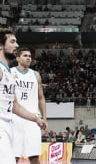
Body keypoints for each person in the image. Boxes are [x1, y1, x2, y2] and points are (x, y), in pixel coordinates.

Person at [0, 29, 47, 164]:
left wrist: (37, 119)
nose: (16, 45)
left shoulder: (8, 71)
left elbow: (14, 105)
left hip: (10, 123)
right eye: (13, 42)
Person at [11, 47, 48, 164]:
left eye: (30, 56)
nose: (28, 58)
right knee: (13, 156)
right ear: (18, 58)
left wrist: (44, 118)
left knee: (34, 157)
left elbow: (41, 98)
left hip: (33, 119)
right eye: (25, 56)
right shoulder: (10, 72)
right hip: (15, 117)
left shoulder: (36, 75)